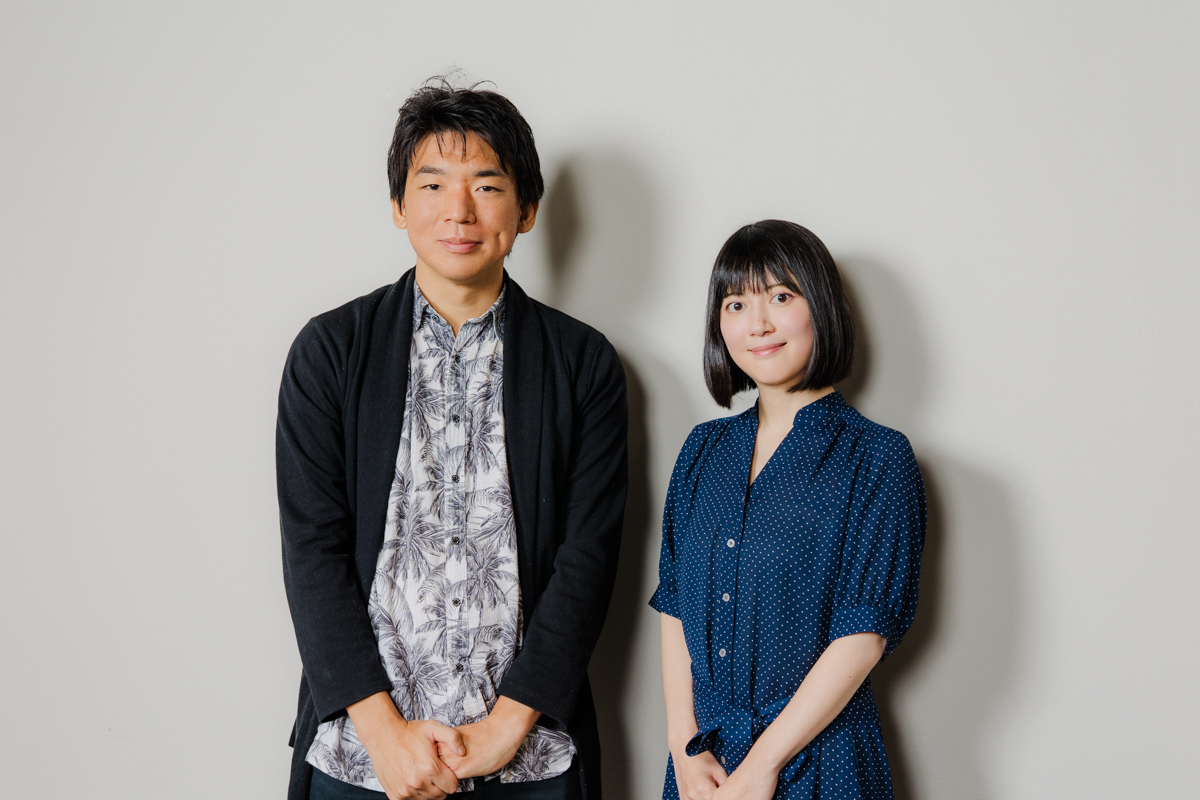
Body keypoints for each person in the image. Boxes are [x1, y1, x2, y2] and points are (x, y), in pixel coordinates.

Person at [277, 78, 628, 800]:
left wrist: (506, 727)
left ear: (526, 210)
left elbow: (588, 556)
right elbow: (312, 551)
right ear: (399, 205)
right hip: (362, 756)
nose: (458, 210)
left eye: (487, 186)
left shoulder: (583, 363)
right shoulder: (329, 352)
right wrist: (385, 736)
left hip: (530, 758)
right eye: (432, 184)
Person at [651, 220, 925, 800]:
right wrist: (683, 746)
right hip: (705, 764)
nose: (758, 324)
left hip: (820, 762)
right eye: (736, 304)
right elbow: (673, 603)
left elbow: (863, 635)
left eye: (780, 297)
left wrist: (762, 767)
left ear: (820, 307)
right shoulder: (701, 449)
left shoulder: (877, 458)